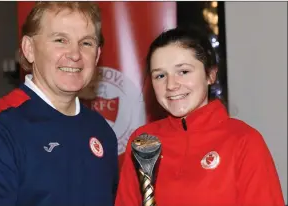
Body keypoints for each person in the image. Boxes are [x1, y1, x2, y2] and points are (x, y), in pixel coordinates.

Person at [0, 2, 118, 206]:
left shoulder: (102, 131)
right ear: (29, 49)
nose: (75, 55)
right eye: (60, 40)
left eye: (86, 43)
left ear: (97, 55)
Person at [115, 26, 285, 206]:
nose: (171, 85)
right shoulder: (143, 142)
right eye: (160, 75)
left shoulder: (243, 141)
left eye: (184, 72)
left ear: (210, 75)